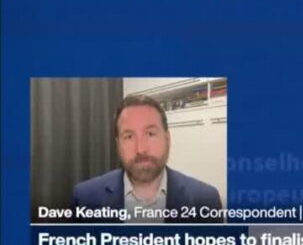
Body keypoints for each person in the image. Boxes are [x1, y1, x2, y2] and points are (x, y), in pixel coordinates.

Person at [72, 94, 222, 223]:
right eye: (129, 137)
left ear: (167, 139)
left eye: (150, 134)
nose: (141, 149)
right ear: (117, 144)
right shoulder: (85, 198)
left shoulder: (206, 200)